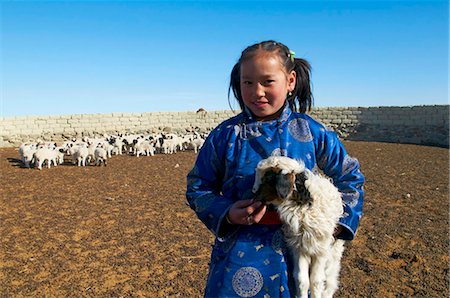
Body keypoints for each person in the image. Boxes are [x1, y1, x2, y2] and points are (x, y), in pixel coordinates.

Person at [186, 40, 365, 297]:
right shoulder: (225, 136)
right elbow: (197, 186)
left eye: (267, 82)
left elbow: (351, 177)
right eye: (247, 82)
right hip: (239, 256)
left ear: (290, 81)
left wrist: (337, 224)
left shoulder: (312, 132)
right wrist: (226, 212)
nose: (257, 91)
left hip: (299, 255)